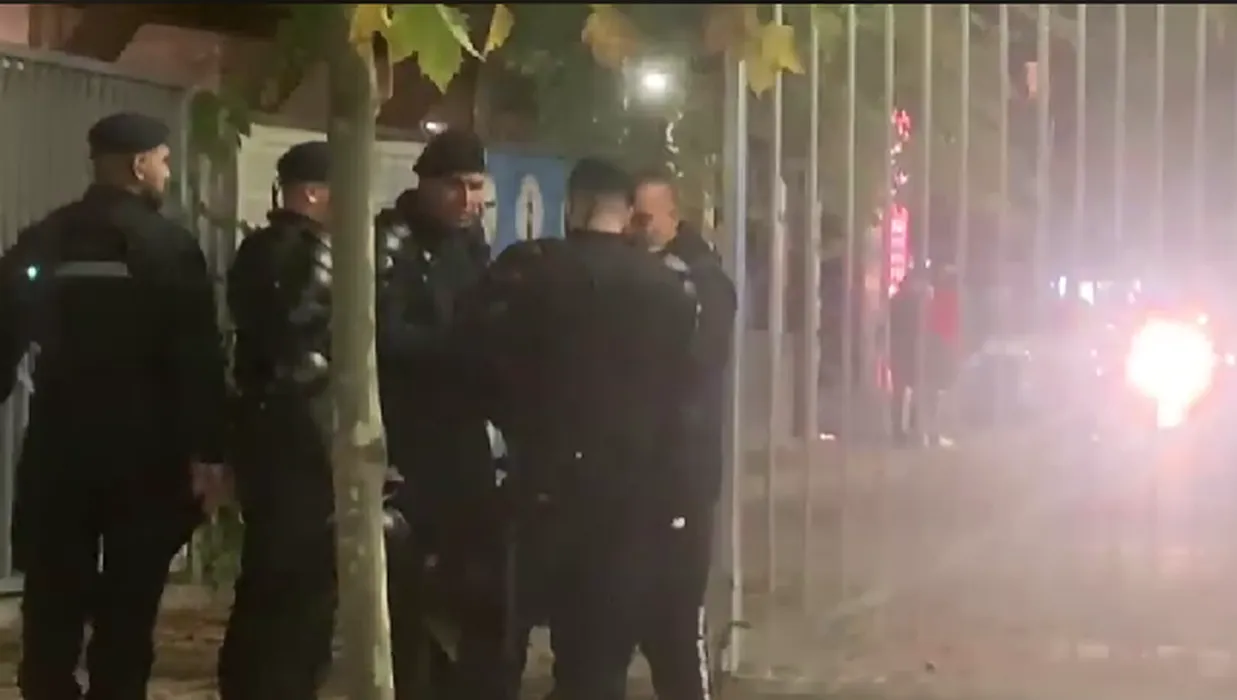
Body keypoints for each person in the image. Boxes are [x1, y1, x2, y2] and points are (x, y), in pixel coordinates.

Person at [0, 112, 227, 700]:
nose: (167, 172)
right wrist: (208, 452)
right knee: (130, 601)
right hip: (144, 452)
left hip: (59, 445)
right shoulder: (169, 247)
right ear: (139, 164)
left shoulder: (45, 238)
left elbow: (4, 329)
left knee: (52, 597)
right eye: (164, 161)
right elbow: (197, 356)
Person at [456, 157, 700, 700]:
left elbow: (474, 359)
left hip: (542, 489)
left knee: (497, 648)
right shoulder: (670, 288)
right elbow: (682, 393)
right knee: (598, 661)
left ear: (572, 206)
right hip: (630, 499)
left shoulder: (529, 272)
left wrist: (515, 421)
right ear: (627, 213)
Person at [373, 129, 498, 699]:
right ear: (425, 184)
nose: (469, 201)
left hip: (462, 435)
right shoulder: (390, 242)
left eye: (476, 187)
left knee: (472, 583)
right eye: (456, 187)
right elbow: (383, 336)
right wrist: (460, 346)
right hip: (406, 435)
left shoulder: (470, 244)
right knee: (407, 585)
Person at [217, 141, 337, 700]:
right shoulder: (302, 254)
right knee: (296, 581)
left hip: (270, 436)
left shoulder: (261, 249)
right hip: (298, 442)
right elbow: (299, 347)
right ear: (312, 192)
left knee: (271, 575)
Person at [631, 171, 737, 700]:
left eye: (645, 218)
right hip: (638, 475)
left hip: (682, 476)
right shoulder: (637, 272)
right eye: (631, 218)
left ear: (674, 216)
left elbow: (700, 360)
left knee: (676, 624)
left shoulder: (703, 281)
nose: (636, 229)